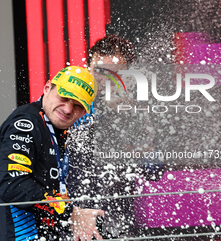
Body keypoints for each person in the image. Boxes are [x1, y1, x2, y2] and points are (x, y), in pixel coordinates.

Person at [67, 35, 162, 239]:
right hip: (73, 218)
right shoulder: (67, 103)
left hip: (118, 219)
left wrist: (134, 126)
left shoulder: (140, 108)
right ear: (88, 68)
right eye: (98, 72)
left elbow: (154, 169)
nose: (103, 80)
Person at [0, 66, 104, 241]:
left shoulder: (59, 129)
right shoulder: (26, 123)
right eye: (64, 97)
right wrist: (71, 213)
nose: (68, 109)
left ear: (84, 112)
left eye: (77, 106)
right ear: (47, 88)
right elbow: (12, 184)